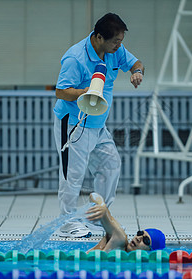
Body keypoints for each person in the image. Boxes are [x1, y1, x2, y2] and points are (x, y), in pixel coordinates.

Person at [53, 13, 145, 238]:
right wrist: (87, 91)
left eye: (121, 41)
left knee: (110, 165)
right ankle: (67, 224)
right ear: (99, 37)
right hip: (74, 123)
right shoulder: (75, 58)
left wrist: (137, 72)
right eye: (116, 41)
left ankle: (95, 219)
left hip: (98, 124)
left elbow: (135, 62)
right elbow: (61, 91)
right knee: (72, 174)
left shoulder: (115, 51)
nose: (119, 46)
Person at [86, 192, 166, 252]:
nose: (138, 238)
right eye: (140, 233)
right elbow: (93, 195)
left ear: (150, 251)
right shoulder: (119, 239)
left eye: (145, 240)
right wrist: (102, 205)